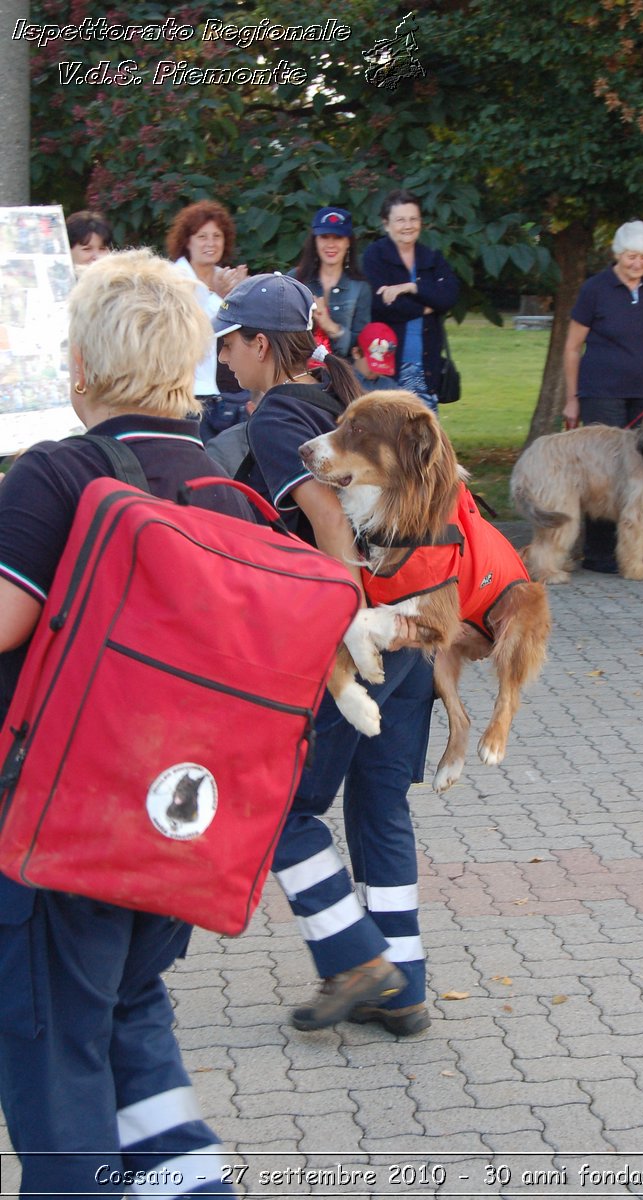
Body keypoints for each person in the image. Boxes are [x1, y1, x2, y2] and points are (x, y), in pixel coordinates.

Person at [0, 249, 254, 1196]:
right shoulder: (226, 487)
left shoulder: (59, 476)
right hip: (180, 831)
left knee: (57, 1062)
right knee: (127, 1019)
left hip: (59, 835)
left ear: (77, 365)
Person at [214, 273, 435, 1036]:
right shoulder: (338, 394)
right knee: (379, 807)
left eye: (229, 341)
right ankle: (403, 987)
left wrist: (346, 626)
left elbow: (328, 524)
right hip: (417, 628)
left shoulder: (280, 414)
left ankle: (355, 958)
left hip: (359, 639)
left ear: (257, 344)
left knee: (282, 807)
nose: (223, 357)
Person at [562, 220, 643, 574]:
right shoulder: (595, 289)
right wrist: (572, 397)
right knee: (603, 474)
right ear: (617, 254)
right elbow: (571, 348)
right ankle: (599, 554)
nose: (638, 263)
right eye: (631, 256)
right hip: (601, 394)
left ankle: (636, 553)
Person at [362, 189, 459, 413]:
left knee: (422, 439)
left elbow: (449, 296)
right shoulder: (374, 256)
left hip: (426, 367)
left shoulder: (431, 257)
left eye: (413, 219)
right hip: (386, 365)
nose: (408, 225)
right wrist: (428, 305)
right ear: (386, 224)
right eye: (400, 220)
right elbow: (381, 306)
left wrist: (411, 287)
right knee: (387, 437)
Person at [165, 199, 249, 441]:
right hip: (183, 394)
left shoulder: (228, 277)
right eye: (202, 236)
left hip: (227, 397)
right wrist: (223, 298)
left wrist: (242, 295)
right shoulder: (172, 279)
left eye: (217, 236)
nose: (210, 243)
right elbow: (191, 332)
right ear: (187, 241)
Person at [291, 206, 372, 358]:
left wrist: (330, 326)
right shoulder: (295, 280)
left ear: (348, 242)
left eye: (338, 237)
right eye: (324, 237)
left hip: (343, 375)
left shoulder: (361, 287)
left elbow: (363, 345)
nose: (331, 244)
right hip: (300, 371)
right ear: (315, 241)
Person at [351, 320, 400, 390]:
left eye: (382, 368)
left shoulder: (388, 386)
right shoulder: (341, 380)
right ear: (356, 353)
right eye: (373, 366)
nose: (377, 372)